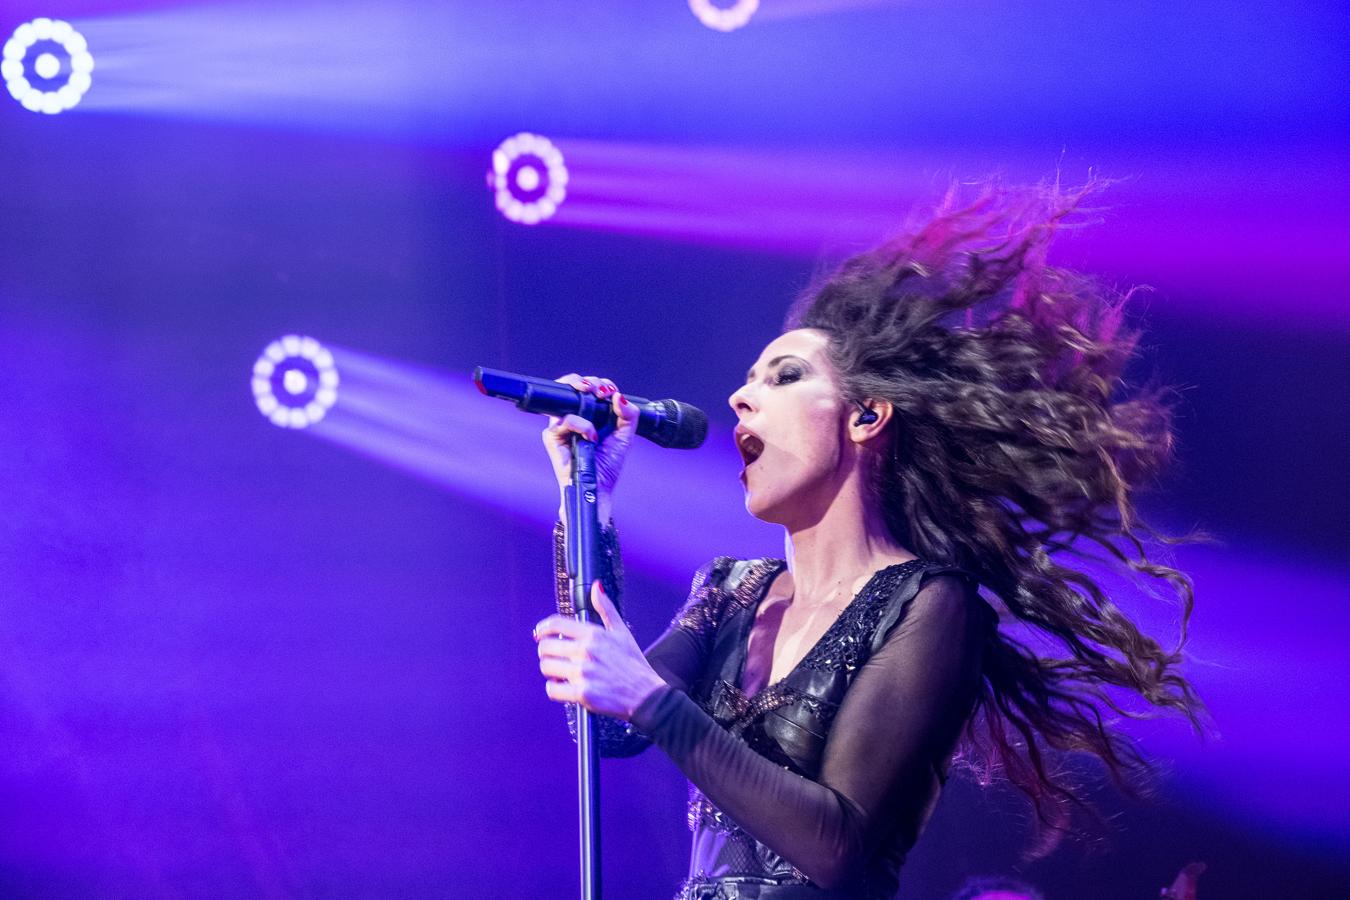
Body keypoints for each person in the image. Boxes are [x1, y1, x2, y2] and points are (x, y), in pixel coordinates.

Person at [532, 183, 1205, 900]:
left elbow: (836, 846)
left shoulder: (931, 605)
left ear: (866, 416)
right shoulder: (730, 591)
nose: (740, 396)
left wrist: (655, 703)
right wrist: (588, 505)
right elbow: (603, 728)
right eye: (748, 379)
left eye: (784, 376)